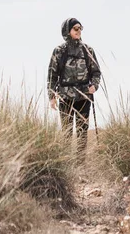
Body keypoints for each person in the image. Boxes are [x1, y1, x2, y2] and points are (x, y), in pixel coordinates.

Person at [48, 18, 101, 162]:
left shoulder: (87, 50)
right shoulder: (59, 51)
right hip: (65, 97)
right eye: (75, 28)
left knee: (82, 132)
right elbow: (52, 75)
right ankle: (66, 165)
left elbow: (96, 72)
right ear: (67, 31)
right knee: (66, 132)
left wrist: (94, 86)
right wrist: (52, 97)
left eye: (80, 28)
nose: (79, 31)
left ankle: (80, 166)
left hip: (84, 97)